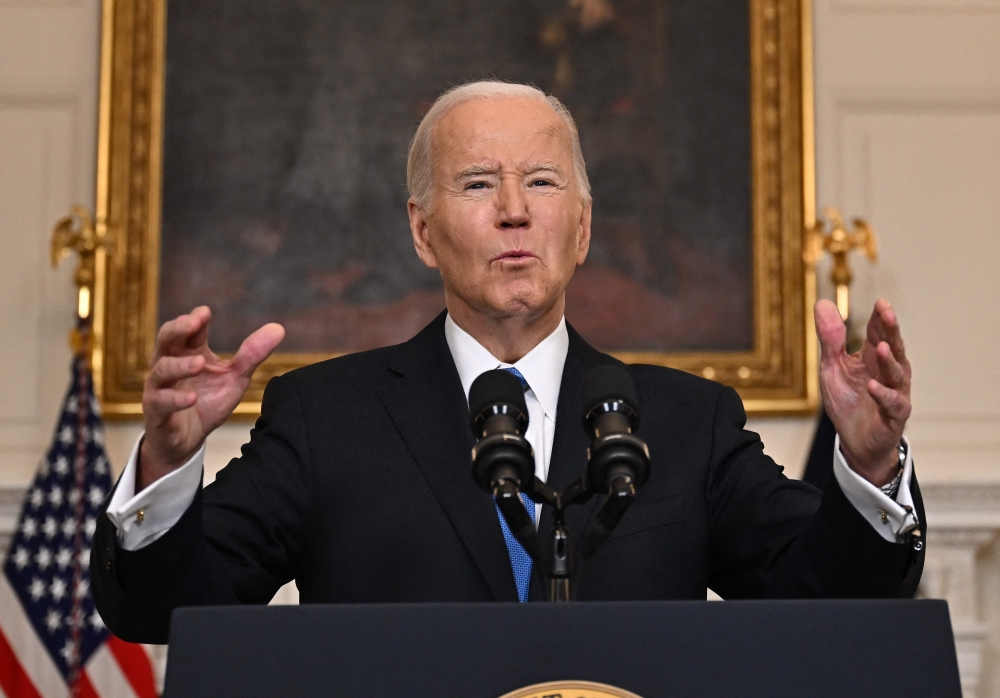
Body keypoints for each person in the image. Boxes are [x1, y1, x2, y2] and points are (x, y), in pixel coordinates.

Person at [92, 82, 923, 644]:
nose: (516, 211)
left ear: (583, 229)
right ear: (423, 231)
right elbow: (163, 609)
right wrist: (166, 463)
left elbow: (830, 603)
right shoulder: (325, 418)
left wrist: (870, 464)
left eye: (544, 183)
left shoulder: (686, 423)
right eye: (479, 183)